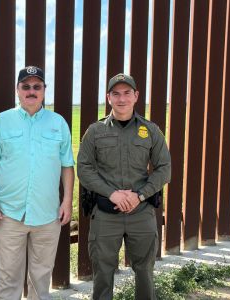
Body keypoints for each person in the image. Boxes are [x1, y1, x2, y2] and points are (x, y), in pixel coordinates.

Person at [0, 66, 75, 299]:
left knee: (41, 277)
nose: (31, 91)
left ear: (44, 90)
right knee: (8, 277)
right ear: (17, 90)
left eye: (37, 86)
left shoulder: (58, 123)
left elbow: (67, 165)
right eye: (26, 87)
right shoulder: (2, 121)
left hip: (47, 214)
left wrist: (67, 201)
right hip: (9, 215)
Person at [77, 73, 171, 300]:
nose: (121, 99)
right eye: (116, 94)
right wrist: (113, 194)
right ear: (108, 98)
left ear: (136, 96)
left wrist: (139, 195)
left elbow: (164, 169)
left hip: (141, 213)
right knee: (102, 273)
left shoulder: (150, 131)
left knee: (145, 272)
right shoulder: (95, 131)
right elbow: (84, 168)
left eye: (127, 93)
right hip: (106, 214)